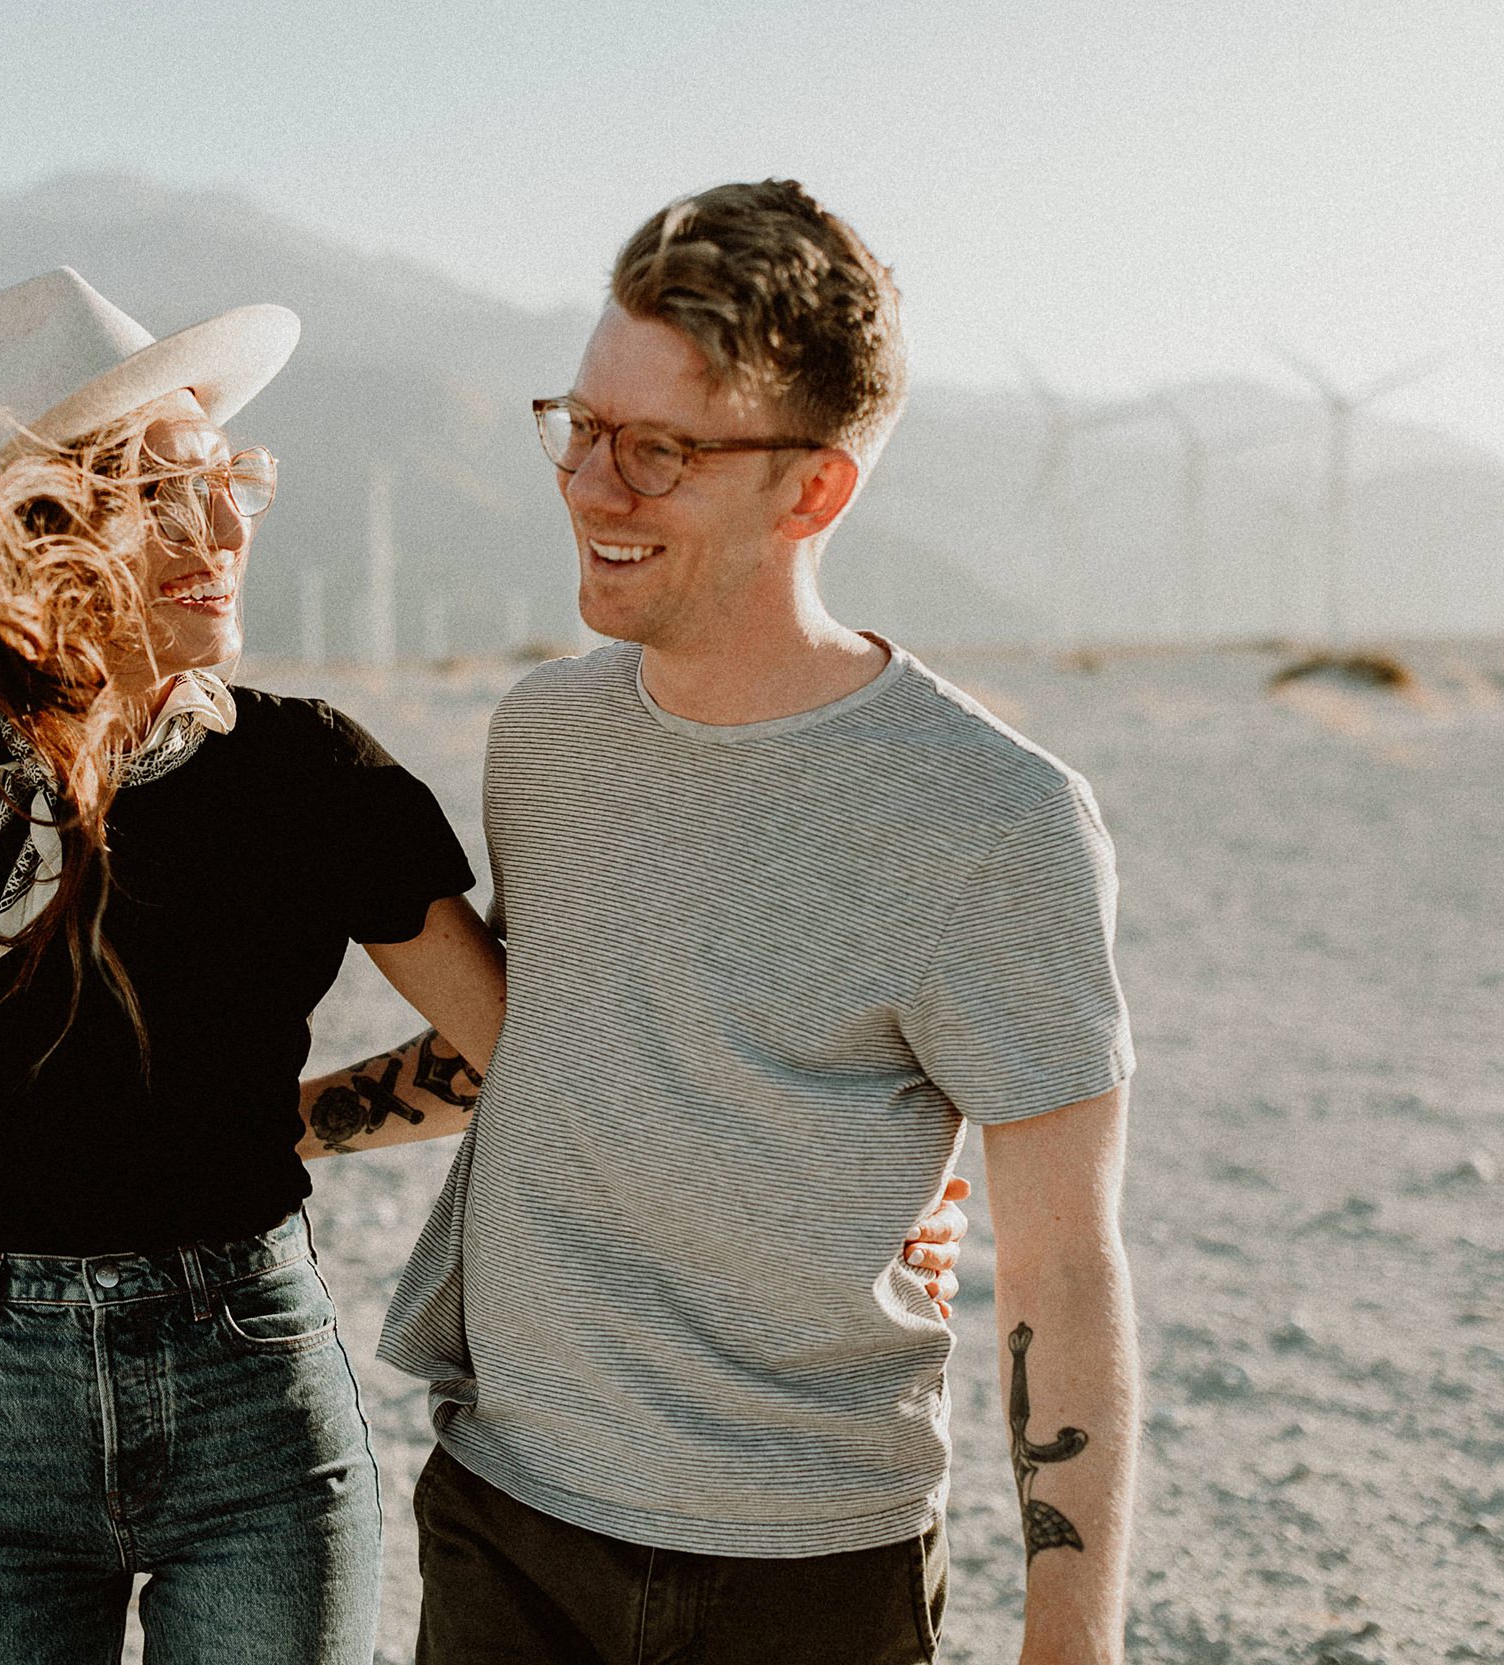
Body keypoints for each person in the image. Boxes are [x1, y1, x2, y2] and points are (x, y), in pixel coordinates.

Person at [0, 263, 983, 1663]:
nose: (223, 529)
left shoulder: (310, 774)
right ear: (41, 531)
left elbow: (537, 1051)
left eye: (227, 482)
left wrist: (855, 1174)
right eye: (162, 497)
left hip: (254, 1388)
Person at [376, 181, 1141, 1665]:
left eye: (657, 450)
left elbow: (1064, 1266)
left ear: (814, 490)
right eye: (579, 426)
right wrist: (243, 1122)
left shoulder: (999, 820)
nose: (592, 487)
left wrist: (1073, 1640)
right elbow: (548, 1039)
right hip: (502, 1515)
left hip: (806, 1562)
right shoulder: (541, 737)